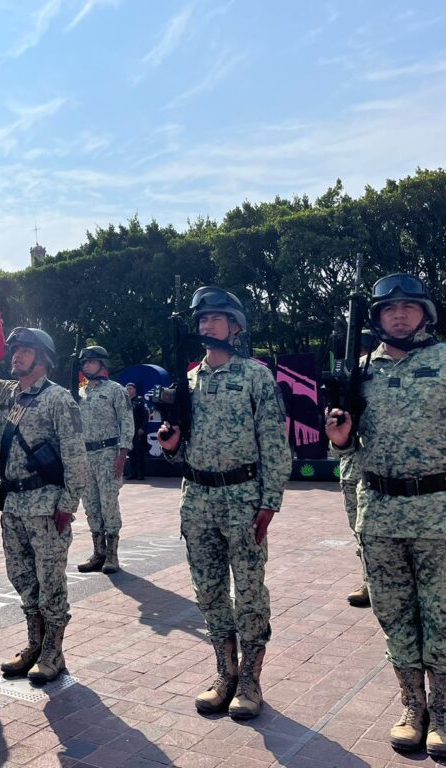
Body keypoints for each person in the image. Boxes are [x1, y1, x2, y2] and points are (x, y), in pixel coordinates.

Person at [326, 273, 446, 758]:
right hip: (379, 512)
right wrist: (340, 439)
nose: (400, 315)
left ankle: (443, 714)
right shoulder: (358, 372)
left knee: (441, 615)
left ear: (425, 314)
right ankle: (413, 706)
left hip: (439, 511)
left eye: (409, 307)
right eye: (390, 309)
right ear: (377, 319)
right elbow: (346, 445)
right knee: (393, 614)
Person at [157, 287, 291, 719]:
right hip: (197, 499)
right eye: (202, 319)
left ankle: (250, 679)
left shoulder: (255, 376)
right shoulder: (187, 381)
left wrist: (270, 500)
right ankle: (225, 672)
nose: (207, 325)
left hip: (243, 497)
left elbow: (275, 444)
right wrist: (171, 446)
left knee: (249, 591)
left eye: (216, 318)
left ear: (235, 326)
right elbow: (178, 448)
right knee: (209, 590)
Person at [0, 327, 88, 683]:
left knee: (50, 580)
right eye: (14, 350)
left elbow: (76, 457)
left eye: (25, 350)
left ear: (42, 358)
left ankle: (53, 651)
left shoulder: (58, 399)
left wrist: (68, 504)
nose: (16, 355)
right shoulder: (8, 392)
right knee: (22, 576)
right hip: (13, 504)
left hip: (46, 506)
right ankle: (34, 643)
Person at [75, 346, 134, 575]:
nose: (87, 366)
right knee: (91, 505)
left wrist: (122, 455)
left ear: (102, 364)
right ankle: (98, 552)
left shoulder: (115, 390)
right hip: (85, 455)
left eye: (91, 362)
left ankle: (112, 554)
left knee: (108, 503)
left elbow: (127, 422)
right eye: (84, 363)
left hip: (108, 453)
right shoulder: (80, 393)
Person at [340, 329, 377, 608]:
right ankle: (369, 581)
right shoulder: (348, 379)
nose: (361, 354)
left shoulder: (378, 377)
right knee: (359, 531)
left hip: (373, 472)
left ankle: (380, 585)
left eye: (364, 348)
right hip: (350, 469)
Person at [125, 382, 150, 481]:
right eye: (127, 389)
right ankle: (132, 473)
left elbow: (146, 415)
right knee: (131, 453)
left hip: (138, 430)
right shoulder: (125, 401)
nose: (129, 390)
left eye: (130, 388)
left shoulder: (140, 400)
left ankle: (140, 474)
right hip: (129, 430)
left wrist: (142, 428)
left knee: (139, 452)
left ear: (134, 390)